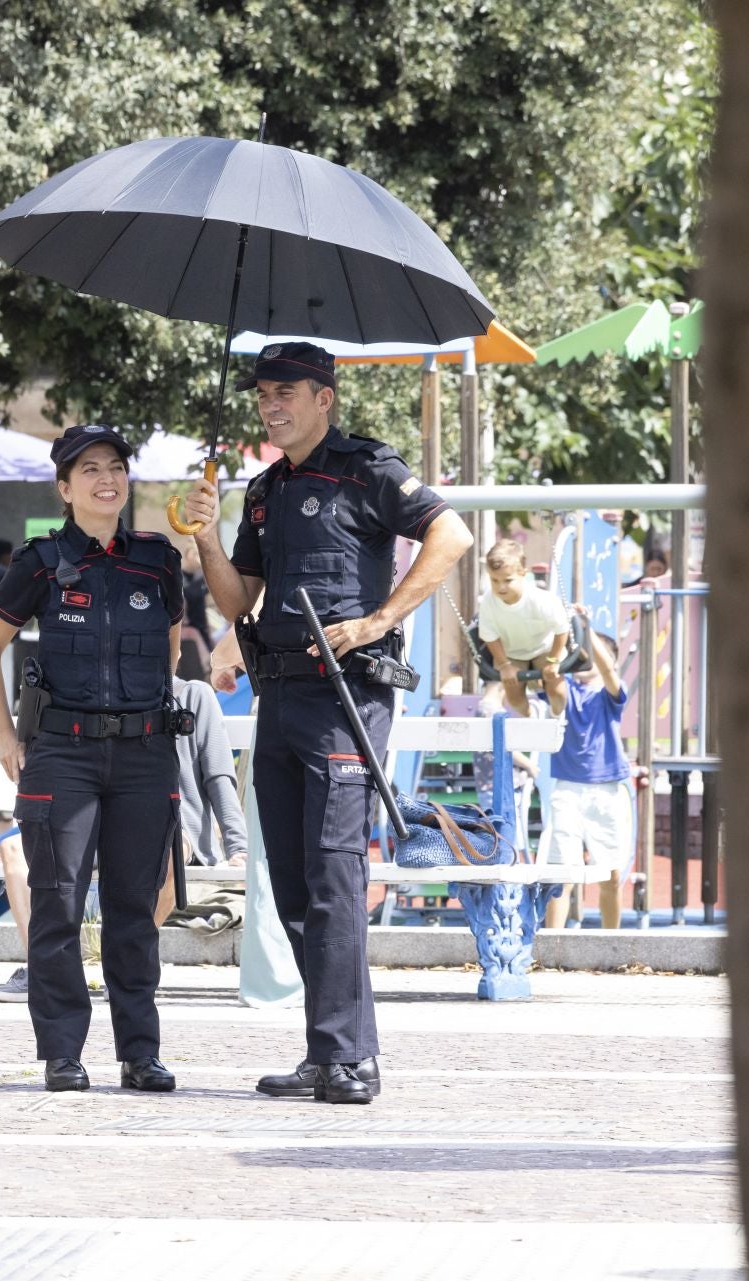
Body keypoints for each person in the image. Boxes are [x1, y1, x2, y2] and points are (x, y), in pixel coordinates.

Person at [185, 342, 473, 1105]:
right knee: (292, 886)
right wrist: (204, 536)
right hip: (277, 696)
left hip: (347, 696)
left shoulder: (367, 466)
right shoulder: (262, 490)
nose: (270, 405)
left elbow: (453, 536)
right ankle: (336, 1053)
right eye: (262, 394)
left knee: (334, 877)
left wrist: (380, 619)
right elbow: (237, 598)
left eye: (285, 392)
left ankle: (345, 1058)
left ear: (324, 398)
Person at [0, 423, 185, 1094]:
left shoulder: (158, 559)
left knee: (134, 905)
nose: (106, 478)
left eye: (116, 466)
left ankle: (140, 1051)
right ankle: (62, 1050)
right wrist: (7, 735)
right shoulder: (39, 562)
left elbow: (171, 649)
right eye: (89, 469)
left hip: (144, 752)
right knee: (59, 902)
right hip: (62, 754)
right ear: (65, 488)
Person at [0, 675, 247, 1003]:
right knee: (12, 850)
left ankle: (128, 967)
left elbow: (219, 775)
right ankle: (46, 971)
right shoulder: (97, 697)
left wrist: (238, 846)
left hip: (174, 828)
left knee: (166, 848)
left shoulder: (194, 694)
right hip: (94, 824)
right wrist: (30, 841)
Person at [539, 607, 631, 930]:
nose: (585, 660)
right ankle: (552, 945)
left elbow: (607, 670)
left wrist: (585, 629)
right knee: (561, 872)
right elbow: (554, 689)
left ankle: (611, 943)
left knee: (611, 873)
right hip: (567, 789)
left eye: (589, 654)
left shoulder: (610, 696)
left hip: (607, 789)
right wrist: (563, 634)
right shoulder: (568, 689)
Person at [477, 538, 569, 716]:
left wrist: (553, 661)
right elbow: (490, 637)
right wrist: (504, 665)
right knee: (514, 699)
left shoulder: (540, 599)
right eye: (494, 580)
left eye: (508, 580)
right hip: (512, 654)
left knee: (557, 692)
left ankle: (556, 715)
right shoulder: (489, 601)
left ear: (523, 574)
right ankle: (531, 717)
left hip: (545, 650)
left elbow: (561, 629)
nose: (501, 587)